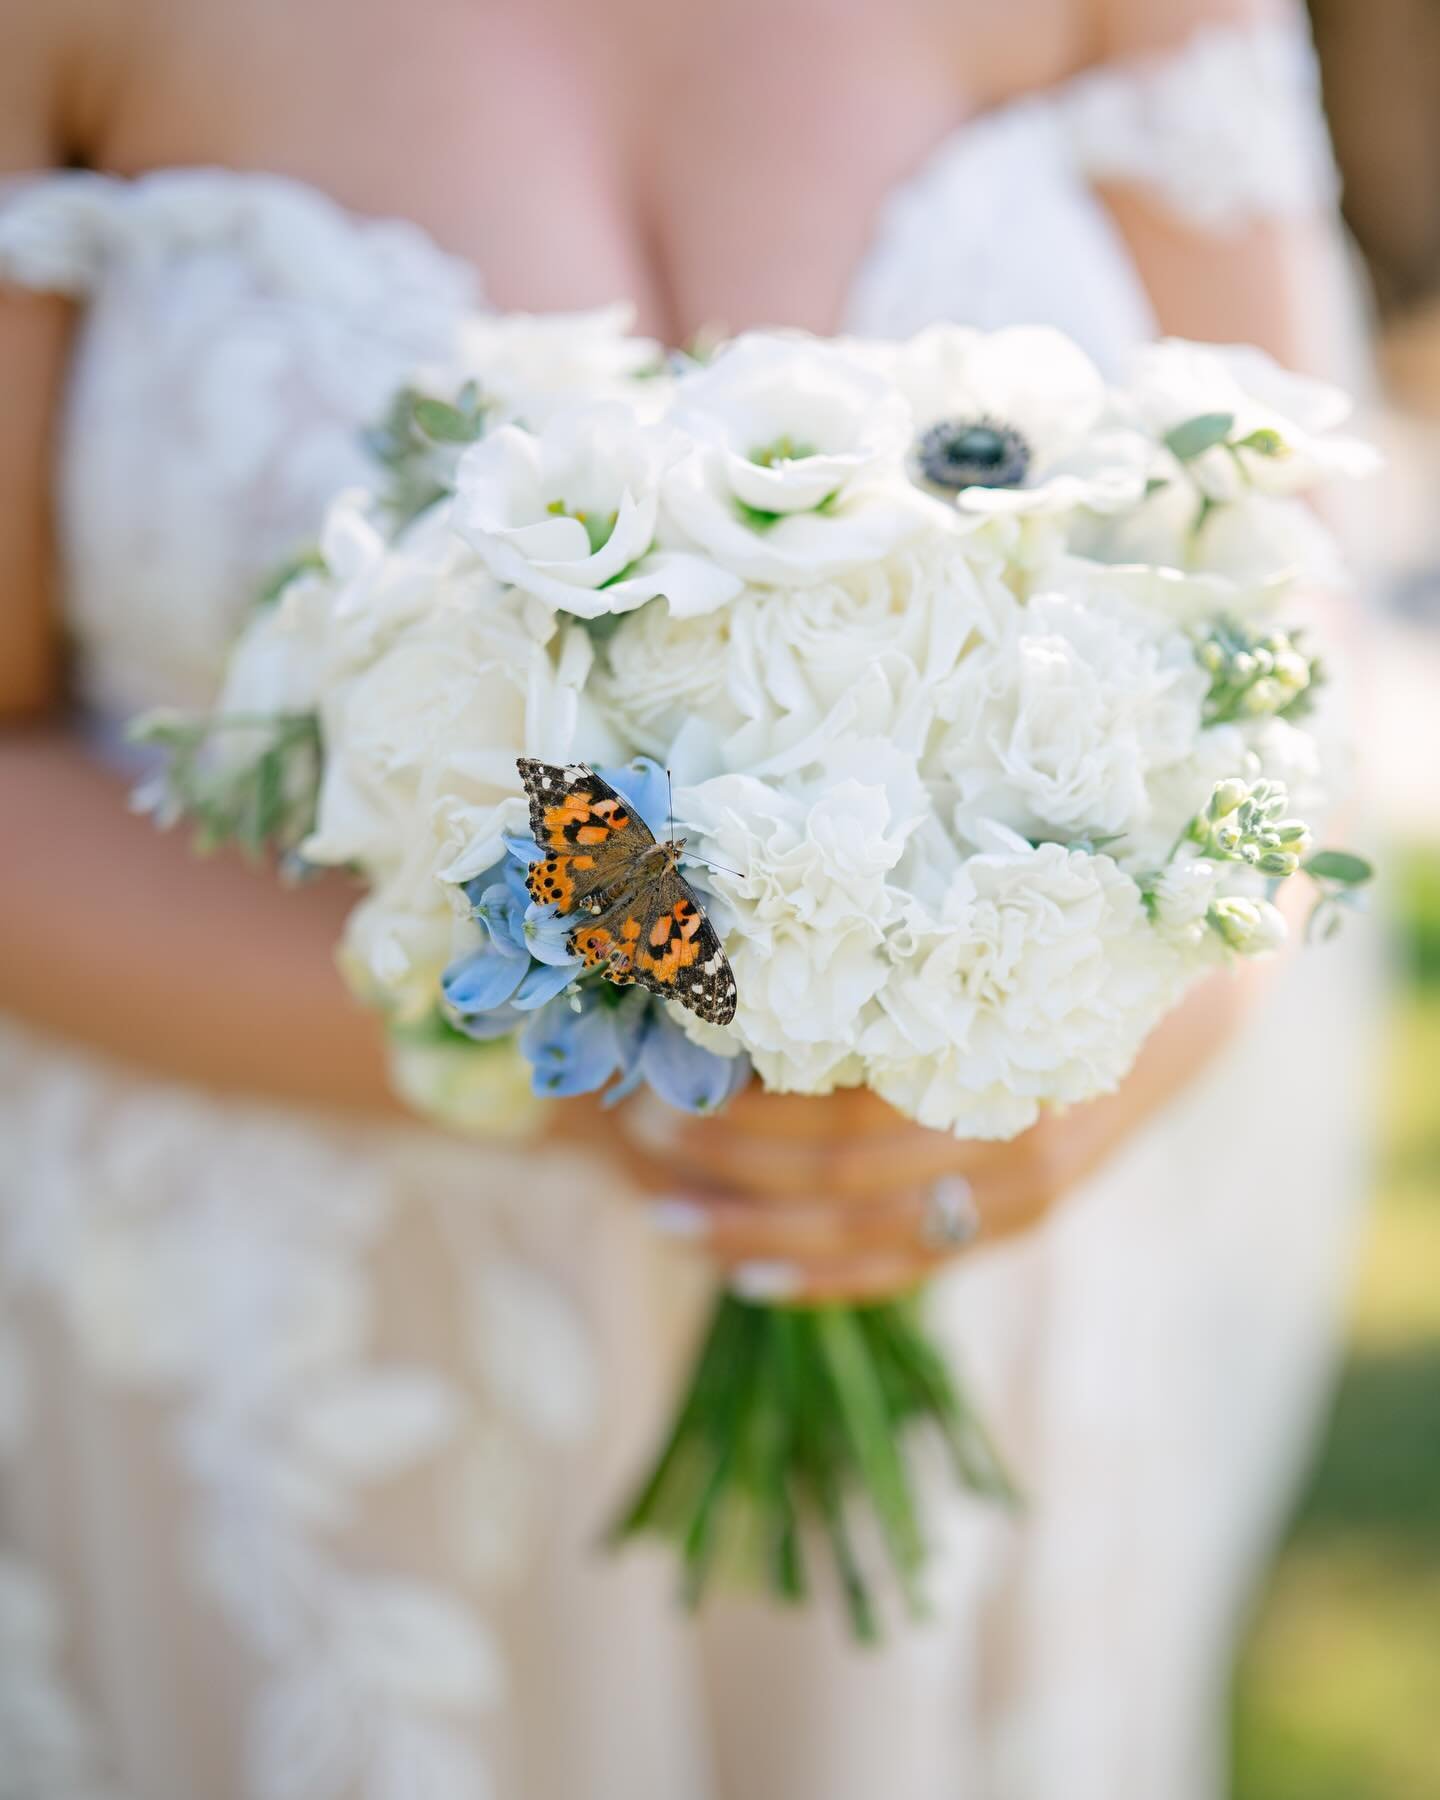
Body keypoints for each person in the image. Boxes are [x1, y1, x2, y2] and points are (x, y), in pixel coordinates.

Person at [0, 1, 1373, 1795]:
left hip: (961, 1242)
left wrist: (1112, 1028)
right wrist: (628, 1031)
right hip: (309, 1346)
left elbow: (1289, 604)